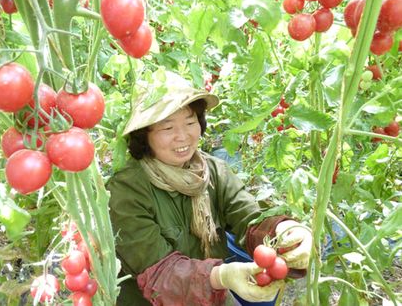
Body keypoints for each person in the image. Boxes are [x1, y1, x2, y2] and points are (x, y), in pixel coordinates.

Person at [107, 71, 312, 306]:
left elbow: (249, 217)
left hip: (211, 292)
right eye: (167, 128)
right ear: (145, 136)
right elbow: (159, 273)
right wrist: (221, 276)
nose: (182, 136)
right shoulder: (126, 190)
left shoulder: (212, 171)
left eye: (190, 122)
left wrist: (284, 231)